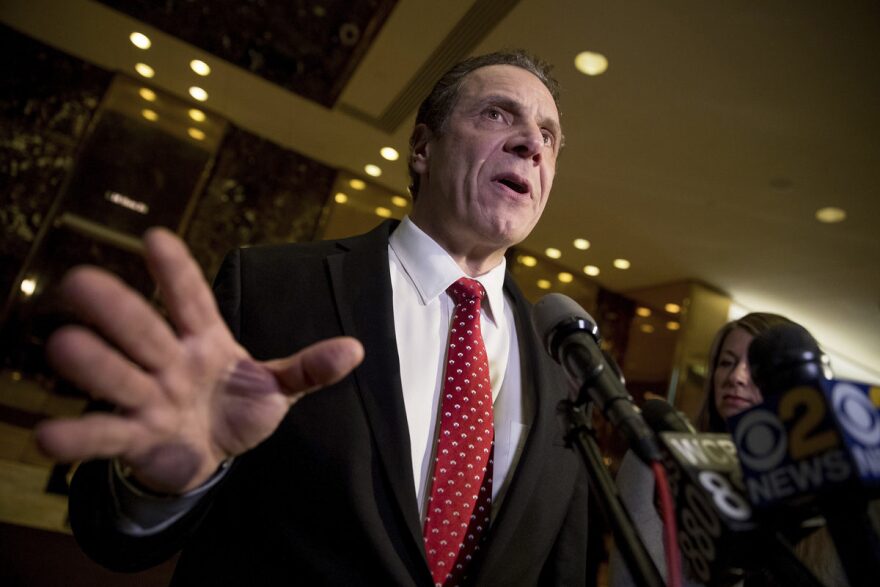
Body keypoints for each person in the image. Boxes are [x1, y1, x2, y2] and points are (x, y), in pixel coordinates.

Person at [35, 51, 590, 585]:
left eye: (549, 136)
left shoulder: (564, 362)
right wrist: (160, 486)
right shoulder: (271, 288)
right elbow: (108, 534)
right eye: (497, 114)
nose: (531, 145)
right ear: (422, 146)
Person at [609, 313, 849, 587]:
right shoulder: (657, 460)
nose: (735, 377)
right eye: (726, 362)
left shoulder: (821, 492)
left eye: (756, 367)